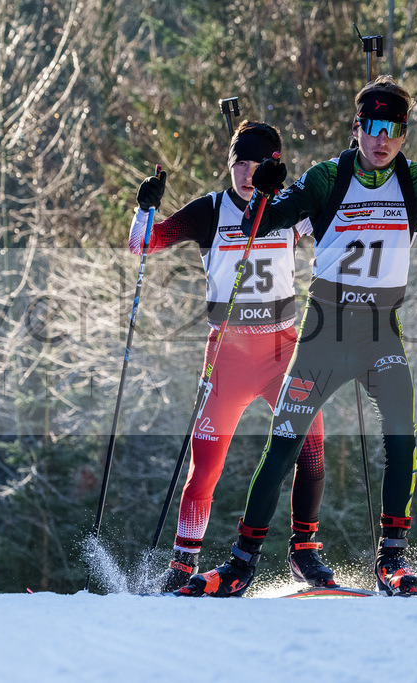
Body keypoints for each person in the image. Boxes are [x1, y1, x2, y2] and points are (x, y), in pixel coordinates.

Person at [179, 75, 417, 598]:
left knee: (402, 435)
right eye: (373, 127)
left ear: (404, 134)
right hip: (324, 333)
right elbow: (256, 227)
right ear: (356, 128)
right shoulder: (327, 177)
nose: (382, 139)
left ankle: (392, 561)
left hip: (380, 332)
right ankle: (241, 564)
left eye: (393, 129)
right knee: (284, 444)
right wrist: (264, 191)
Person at [128, 120, 332, 592]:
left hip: (283, 352)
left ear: (274, 165)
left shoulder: (289, 206)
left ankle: (304, 552)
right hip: (228, 355)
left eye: (257, 163)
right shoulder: (211, 209)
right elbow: (144, 244)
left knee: (312, 447)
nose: (246, 173)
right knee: (206, 466)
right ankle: (182, 564)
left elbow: (335, 231)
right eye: (239, 163)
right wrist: (144, 208)